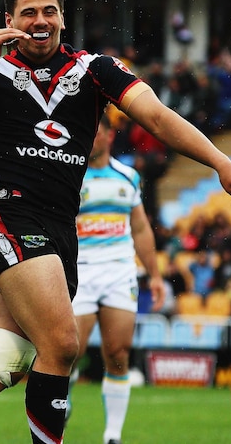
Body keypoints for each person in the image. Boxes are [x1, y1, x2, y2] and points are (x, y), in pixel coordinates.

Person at [0, 0, 231, 443]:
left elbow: (156, 116)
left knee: (6, 361)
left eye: (49, 11)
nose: (41, 19)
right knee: (61, 344)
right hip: (9, 217)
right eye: (29, 12)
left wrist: (221, 163)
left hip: (60, 230)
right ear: (9, 20)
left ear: (62, 18)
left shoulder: (94, 70)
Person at [67, 116, 165, 444]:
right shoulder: (69, 174)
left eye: (96, 132)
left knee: (118, 353)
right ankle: (62, 397)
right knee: (70, 352)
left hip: (119, 272)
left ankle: (112, 435)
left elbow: (139, 228)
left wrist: (154, 275)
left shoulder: (128, 176)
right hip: (80, 270)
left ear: (110, 136)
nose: (90, 138)